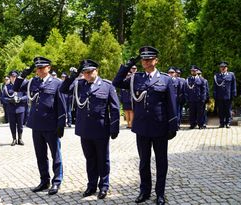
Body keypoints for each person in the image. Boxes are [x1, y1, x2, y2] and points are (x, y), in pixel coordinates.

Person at [113, 46, 177, 205]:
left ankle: (160, 193)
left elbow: (172, 104)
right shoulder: (136, 78)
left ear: (156, 60)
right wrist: (127, 65)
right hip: (141, 127)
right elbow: (117, 82)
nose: (146, 62)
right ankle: (145, 191)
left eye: (149, 59)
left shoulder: (165, 79)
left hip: (160, 127)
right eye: (143, 59)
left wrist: (172, 126)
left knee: (161, 162)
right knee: (144, 162)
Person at [60, 59, 120, 199]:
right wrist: (73, 76)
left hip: (100, 129)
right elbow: (63, 90)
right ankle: (91, 185)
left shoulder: (107, 86)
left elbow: (115, 108)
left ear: (96, 71)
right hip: (85, 129)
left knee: (103, 159)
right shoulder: (79, 85)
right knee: (90, 159)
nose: (87, 75)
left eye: (89, 72)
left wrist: (114, 127)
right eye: (85, 73)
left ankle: (104, 185)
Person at [13, 57, 66, 195]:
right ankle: (44, 181)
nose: (39, 70)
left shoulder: (57, 83)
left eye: (42, 68)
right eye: (37, 68)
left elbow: (61, 104)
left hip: (51, 125)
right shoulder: (33, 82)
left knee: (56, 155)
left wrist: (61, 123)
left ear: (48, 68)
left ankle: (57, 181)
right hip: (36, 125)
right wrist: (22, 75)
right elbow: (16, 87)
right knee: (40, 155)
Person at [2, 70, 28, 146]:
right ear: (10, 77)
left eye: (15, 76)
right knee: (12, 125)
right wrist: (9, 100)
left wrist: (21, 99)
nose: (13, 78)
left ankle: (20, 139)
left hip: (20, 108)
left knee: (20, 125)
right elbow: (3, 98)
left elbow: (27, 96)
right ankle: (14, 139)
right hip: (11, 109)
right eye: (12, 77)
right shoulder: (7, 87)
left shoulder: (22, 85)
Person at [213, 61, 236, 128]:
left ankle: (228, 123)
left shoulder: (231, 75)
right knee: (220, 110)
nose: (222, 68)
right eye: (221, 67)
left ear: (227, 68)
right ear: (220, 68)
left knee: (228, 110)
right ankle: (221, 123)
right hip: (219, 96)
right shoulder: (216, 76)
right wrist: (215, 94)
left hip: (228, 96)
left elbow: (233, 85)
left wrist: (234, 93)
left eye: (224, 67)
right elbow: (215, 86)